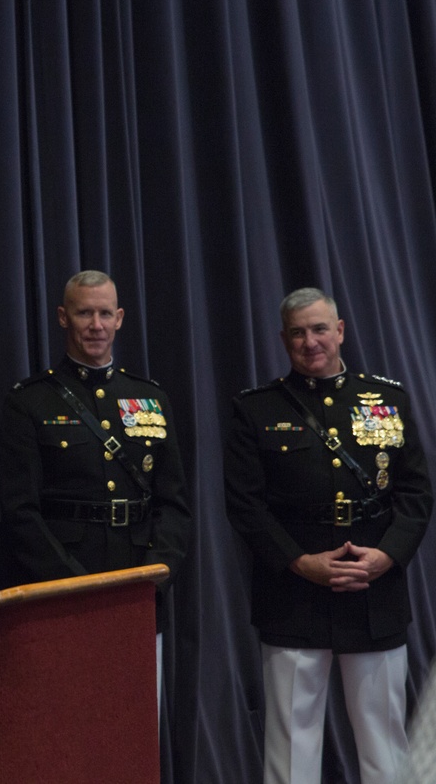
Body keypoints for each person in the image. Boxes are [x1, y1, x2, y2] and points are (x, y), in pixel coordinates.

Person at [223, 287, 433, 784]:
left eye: (320, 329)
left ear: (340, 330)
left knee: (385, 749)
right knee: (291, 751)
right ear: (283, 339)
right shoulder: (256, 409)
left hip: (372, 589)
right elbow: (244, 506)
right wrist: (300, 562)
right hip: (293, 594)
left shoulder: (387, 399)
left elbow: (416, 493)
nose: (310, 341)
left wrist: (386, 557)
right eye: (298, 332)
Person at [0, 270, 193, 685]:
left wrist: (156, 574)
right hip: (60, 593)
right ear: (63, 317)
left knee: (138, 727)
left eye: (105, 313)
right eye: (85, 313)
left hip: (138, 588)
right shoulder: (30, 401)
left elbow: (173, 503)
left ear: (120, 318)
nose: (96, 326)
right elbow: (20, 512)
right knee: (70, 723)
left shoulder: (150, 399)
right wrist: (72, 586)